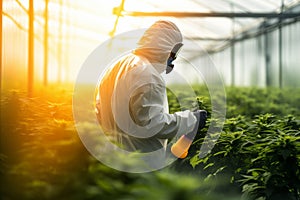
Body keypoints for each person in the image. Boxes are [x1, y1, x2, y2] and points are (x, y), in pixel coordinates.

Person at [95, 20, 207, 154]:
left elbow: (99, 109)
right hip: (138, 159)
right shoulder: (147, 74)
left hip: (113, 152)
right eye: (173, 53)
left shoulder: (118, 65)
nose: (173, 59)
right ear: (164, 48)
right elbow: (153, 125)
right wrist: (191, 120)